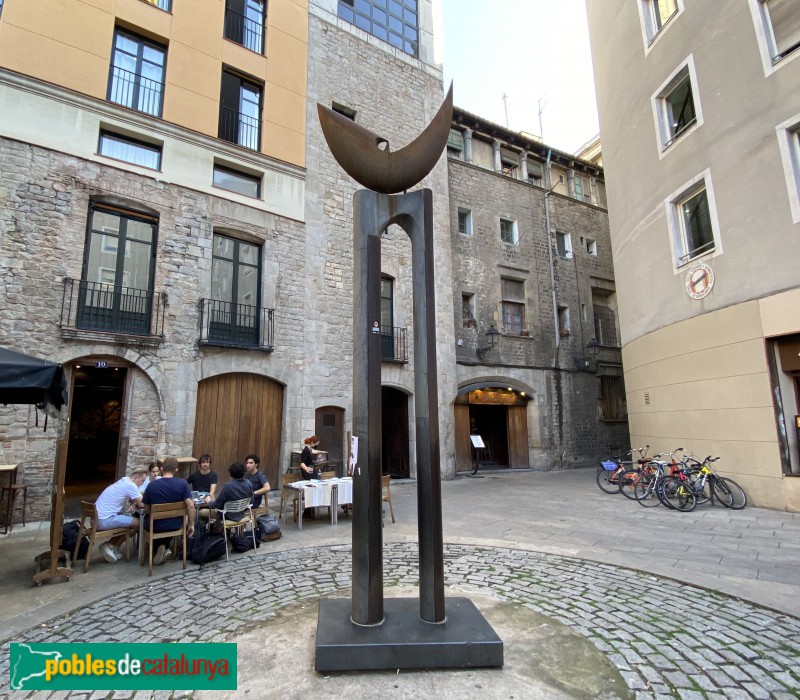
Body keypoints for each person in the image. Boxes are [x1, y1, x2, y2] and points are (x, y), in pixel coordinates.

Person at [141, 457, 195, 565]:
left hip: (155, 525)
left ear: (161, 469)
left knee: (144, 520)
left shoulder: (152, 485)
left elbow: (146, 508)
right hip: (175, 524)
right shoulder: (183, 484)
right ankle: (164, 547)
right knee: (168, 523)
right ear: (176, 470)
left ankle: (158, 548)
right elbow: (190, 505)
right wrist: (191, 524)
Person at [94, 467, 147, 563]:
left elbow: (137, 495)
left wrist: (136, 501)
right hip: (104, 520)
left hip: (96, 518)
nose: (143, 483)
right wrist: (138, 503)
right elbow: (142, 504)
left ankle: (111, 546)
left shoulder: (124, 480)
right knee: (139, 523)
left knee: (129, 522)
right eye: (142, 480)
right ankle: (111, 545)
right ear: (135, 477)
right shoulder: (131, 486)